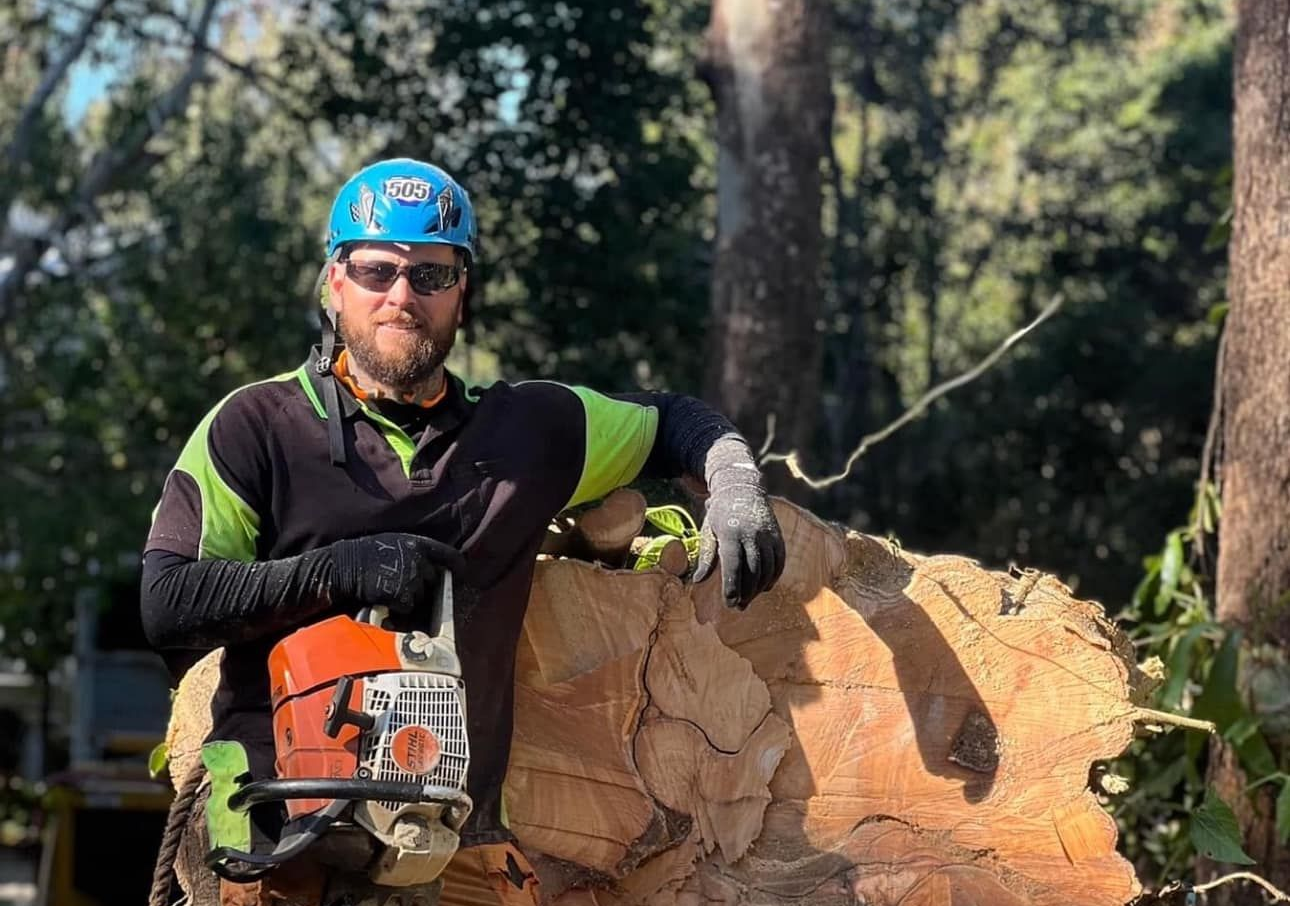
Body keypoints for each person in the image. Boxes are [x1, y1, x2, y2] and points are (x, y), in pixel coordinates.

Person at [140, 157, 785, 906]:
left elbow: (673, 419)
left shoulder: (527, 431)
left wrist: (735, 484)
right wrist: (340, 571)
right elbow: (168, 604)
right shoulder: (256, 426)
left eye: (432, 276)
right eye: (378, 271)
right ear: (334, 282)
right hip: (268, 813)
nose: (402, 297)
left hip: (453, 828)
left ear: (463, 291)